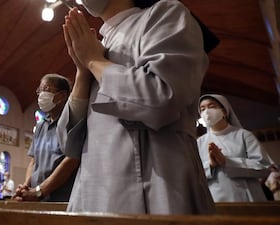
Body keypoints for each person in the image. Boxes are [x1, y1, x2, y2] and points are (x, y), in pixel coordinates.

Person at [58, 0, 216, 214]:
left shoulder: (165, 14)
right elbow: (68, 144)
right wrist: (83, 72)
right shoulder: (98, 44)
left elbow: (161, 98)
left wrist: (94, 61)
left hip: (157, 189)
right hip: (92, 193)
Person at [14, 74, 79, 202]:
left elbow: (71, 161)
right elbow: (33, 161)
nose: (41, 95)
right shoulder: (40, 126)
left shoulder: (71, 121)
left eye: (46, 90)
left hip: (61, 199)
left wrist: (39, 192)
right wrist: (27, 186)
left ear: (62, 96)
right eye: (40, 90)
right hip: (36, 197)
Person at [197, 94, 273, 202]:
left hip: (248, 198)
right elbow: (194, 176)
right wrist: (210, 165)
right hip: (215, 200)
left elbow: (265, 167)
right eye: (202, 109)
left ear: (224, 111)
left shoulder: (243, 135)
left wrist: (227, 162)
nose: (206, 112)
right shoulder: (199, 142)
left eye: (212, 106)